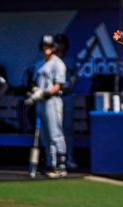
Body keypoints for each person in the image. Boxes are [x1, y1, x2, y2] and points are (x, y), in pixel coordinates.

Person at [25, 34, 67, 178]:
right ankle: (51, 164)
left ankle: (61, 165)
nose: (46, 48)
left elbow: (58, 85)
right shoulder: (39, 64)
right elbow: (34, 83)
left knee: (56, 133)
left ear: (53, 47)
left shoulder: (58, 63)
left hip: (52, 101)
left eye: (48, 46)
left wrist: (42, 93)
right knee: (44, 136)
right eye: (44, 46)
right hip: (40, 102)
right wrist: (34, 91)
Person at [54, 34, 78, 170]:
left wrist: (69, 83)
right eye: (57, 43)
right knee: (55, 130)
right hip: (54, 98)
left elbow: (72, 82)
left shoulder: (70, 60)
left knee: (67, 129)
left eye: (62, 43)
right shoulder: (51, 61)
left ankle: (69, 158)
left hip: (67, 97)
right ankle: (56, 160)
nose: (60, 46)